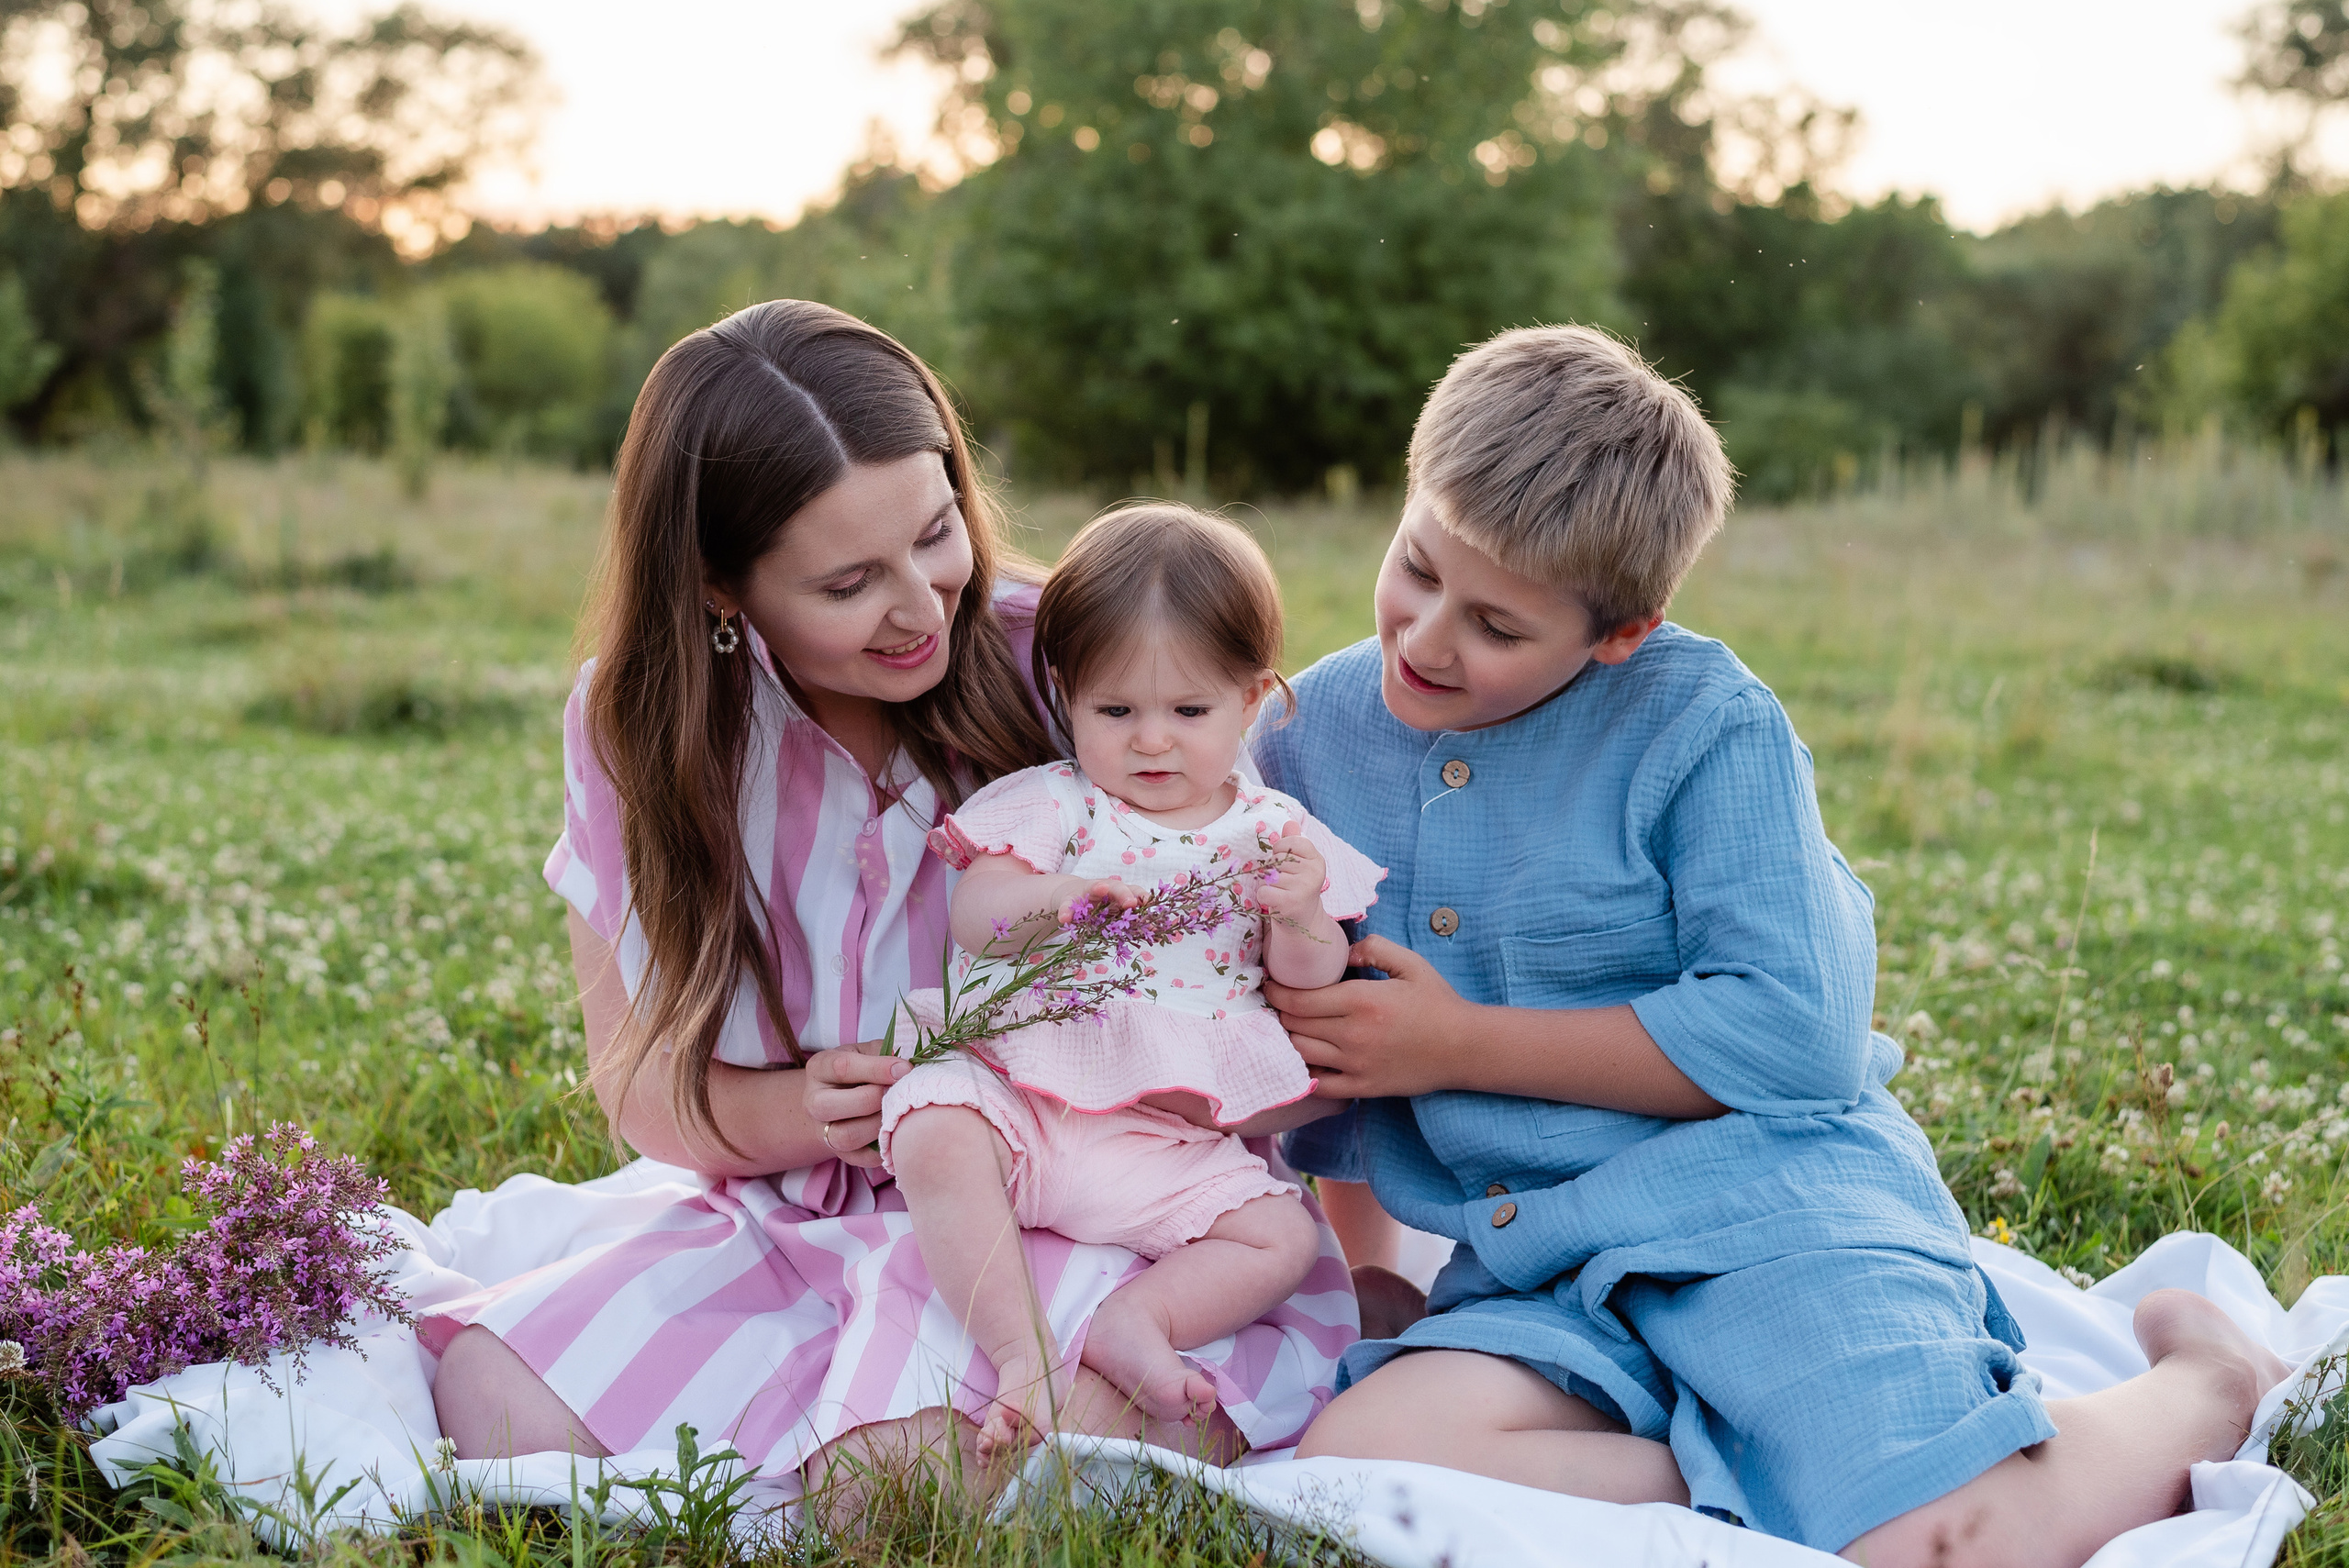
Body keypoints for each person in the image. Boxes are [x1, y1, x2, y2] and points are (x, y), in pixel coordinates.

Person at [1257, 325, 2288, 1568]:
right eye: (1415, 567)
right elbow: (1332, 1042)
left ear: (1618, 634)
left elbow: (1794, 1038)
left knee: (1943, 1546)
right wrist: (1378, 1275)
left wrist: (1460, 1043)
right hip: (1541, 1263)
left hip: (1772, 1208)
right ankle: (1762, 1466)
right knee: (1353, 1465)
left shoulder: (1709, 725)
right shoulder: (1310, 734)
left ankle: (2205, 1385)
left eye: (1495, 625)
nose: (1424, 639)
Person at [419, 302, 1354, 1512]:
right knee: (497, 1402)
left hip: (1074, 1213)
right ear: (717, 585)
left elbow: (1257, 951)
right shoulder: (640, 728)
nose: (921, 606)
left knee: (900, 1491)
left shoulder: (1068, 660)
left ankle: (947, 1432)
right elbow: (641, 1084)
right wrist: (799, 1106)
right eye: (850, 582)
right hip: (791, 1212)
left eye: (936, 534)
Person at [879, 506, 1383, 1453]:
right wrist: (1056, 902)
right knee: (933, 1122)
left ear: (1252, 699)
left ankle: (1137, 1321)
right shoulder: (1058, 802)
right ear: (1068, 695)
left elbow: (1304, 976)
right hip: (1027, 1102)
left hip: (1163, 1140)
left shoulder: (1272, 832)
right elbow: (974, 916)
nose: (1152, 742)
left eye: (1188, 711)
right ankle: (1019, 1349)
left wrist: (1301, 911)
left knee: (1280, 1236)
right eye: (1116, 711)